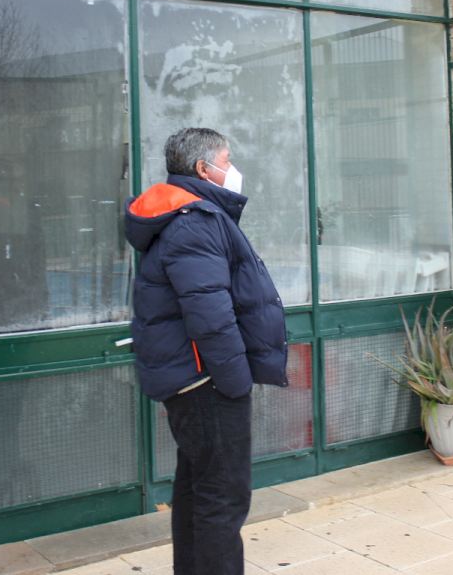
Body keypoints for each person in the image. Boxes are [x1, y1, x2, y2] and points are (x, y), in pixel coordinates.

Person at [124, 127, 288, 575]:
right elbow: (210, 315)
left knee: (198, 487)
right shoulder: (195, 221)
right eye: (227, 160)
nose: (232, 169)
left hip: (194, 377)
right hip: (206, 380)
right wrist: (234, 382)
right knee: (223, 494)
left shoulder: (186, 215)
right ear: (203, 168)